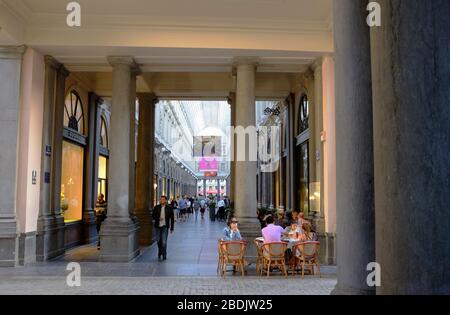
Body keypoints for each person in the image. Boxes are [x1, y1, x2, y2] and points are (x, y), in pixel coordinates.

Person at [152, 196, 175, 260]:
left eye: (163, 199)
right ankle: (160, 251)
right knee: (158, 241)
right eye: (161, 199)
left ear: (166, 200)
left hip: (165, 226)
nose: (162, 200)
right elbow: (153, 216)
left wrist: (172, 228)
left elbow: (172, 219)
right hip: (158, 226)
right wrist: (158, 218)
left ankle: (164, 254)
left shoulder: (169, 208)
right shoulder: (156, 207)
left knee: (164, 242)